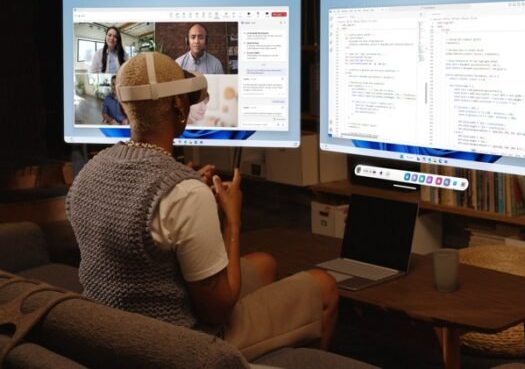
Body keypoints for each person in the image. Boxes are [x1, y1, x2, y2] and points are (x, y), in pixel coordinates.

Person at [66, 52, 338, 361]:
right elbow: (217, 312)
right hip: (179, 346)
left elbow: (133, 226)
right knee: (324, 286)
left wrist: (184, 189)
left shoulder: (89, 172)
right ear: (179, 106)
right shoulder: (183, 193)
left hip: (113, 332)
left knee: (264, 264)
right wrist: (232, 221)